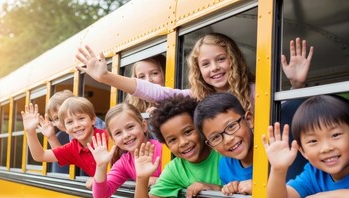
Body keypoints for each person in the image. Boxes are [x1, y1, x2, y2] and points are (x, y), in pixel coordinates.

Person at [76, 34, 312, 113]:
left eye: (221, 59)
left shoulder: (253, 91)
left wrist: (296, 85)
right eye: (206, 64)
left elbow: (282, 113)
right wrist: (107, 78)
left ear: (234, 61)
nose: (215, 68)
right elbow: (155, 92)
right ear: (198, 72)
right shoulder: (197, 97)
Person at [133, 95, 222, 198]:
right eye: (172, 140)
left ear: (200, 127)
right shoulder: (175, 169)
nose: (183, 142)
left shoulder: (223, 151)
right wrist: (142, 178)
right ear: (167, 145)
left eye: (188, 132)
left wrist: (214, 188)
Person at [263, 95, 349, 198]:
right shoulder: (313, 174)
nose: (326, 148)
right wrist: (278, 170)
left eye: (335, 135)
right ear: (303, 151)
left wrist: (330, 196)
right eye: (313, 141)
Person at [21, 96, 107, 186]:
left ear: (93, 119)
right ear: (64, 128)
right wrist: (30, 132)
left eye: (81, 118)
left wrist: (99, 177)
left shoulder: (107, 137)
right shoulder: (73, 148)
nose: (76, 125)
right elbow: (40, 156)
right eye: (70, 122)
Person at [87, 102, 162, 198]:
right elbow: (100, 196)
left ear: (144, 126)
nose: (126, 135)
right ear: (113, 139)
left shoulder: (163, 148)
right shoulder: (124, 163)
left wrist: (160, 182)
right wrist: (101, 166)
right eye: (118, 133)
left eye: (130, 127)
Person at [194, 93, 254, 195]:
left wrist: (259, 188)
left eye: (231, 126)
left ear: (249, 120)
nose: (228, 140)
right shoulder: (225, 166)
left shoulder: (272, 153)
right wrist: (229, 189)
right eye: (215, 137)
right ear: (211, 146)